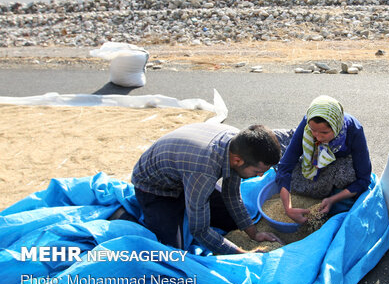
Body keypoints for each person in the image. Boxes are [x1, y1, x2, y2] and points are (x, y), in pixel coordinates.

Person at [131, 122, 284, 254]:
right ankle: (125, 214)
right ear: (238, 160)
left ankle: (189, 204)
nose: (259, 177)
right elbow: (199, 230)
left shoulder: (238, 145)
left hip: (186, 176)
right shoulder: (204, 170)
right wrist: (241, 253)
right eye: (257, 172)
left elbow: (231, 195)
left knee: (232, 221)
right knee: (173, 252)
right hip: (156, 188)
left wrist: (254, 234)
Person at [275, 95, 372, 224]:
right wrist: (288, 208)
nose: (318, 137)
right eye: (313, 131)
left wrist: (333, 200)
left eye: (324, 133)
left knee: (347, 174)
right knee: (277, 150)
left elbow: (364, 178)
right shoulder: (307, 123)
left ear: (336, 127)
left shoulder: (354, 130)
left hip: (338, 162)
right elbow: (285, 166)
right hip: (313, 160)